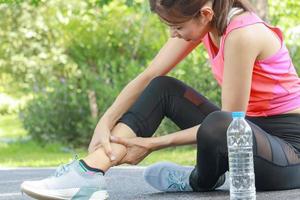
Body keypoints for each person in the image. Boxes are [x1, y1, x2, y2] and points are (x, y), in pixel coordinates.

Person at [21, 0, 300, 199]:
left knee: (221, 123)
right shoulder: (208, 20)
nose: (173, 33)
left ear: (204, 13)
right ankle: (89, 172)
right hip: (250, 134)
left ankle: (198, 179)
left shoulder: (242, 33)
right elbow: (149, 74)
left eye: (176, 26)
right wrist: (105, 122)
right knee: (162, 87)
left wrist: (153, 144)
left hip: (289, 153)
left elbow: (233, 123)